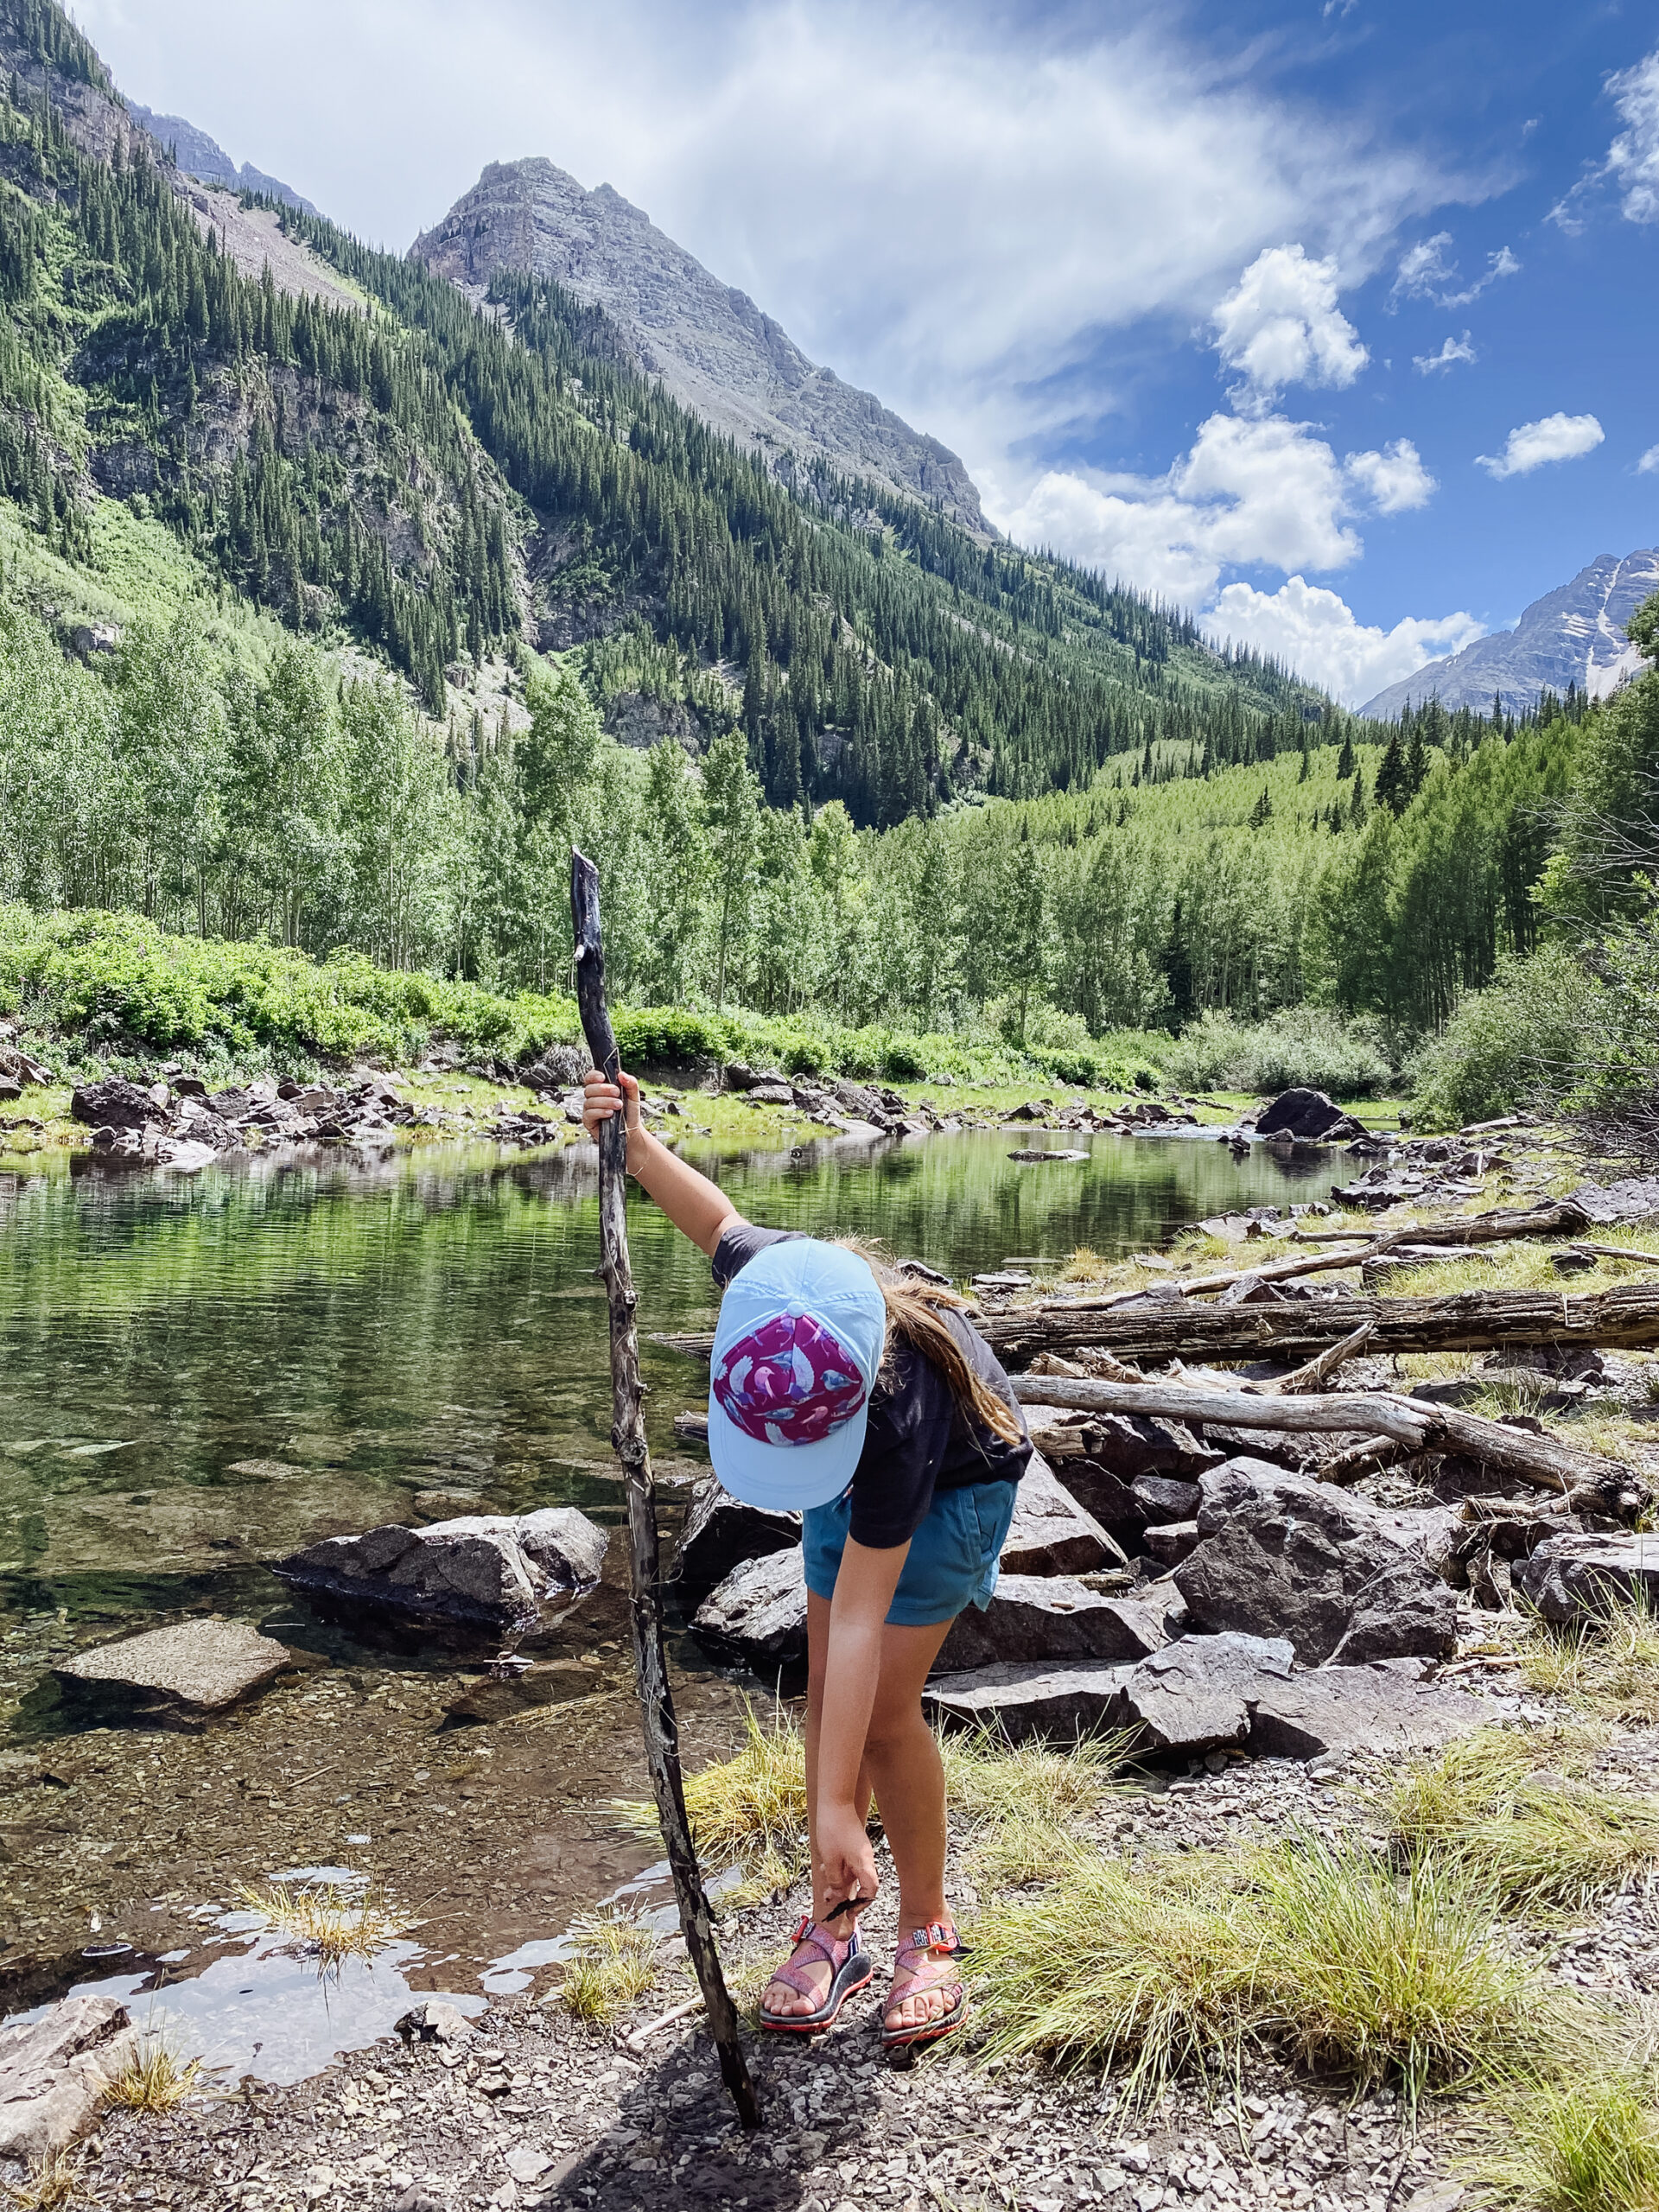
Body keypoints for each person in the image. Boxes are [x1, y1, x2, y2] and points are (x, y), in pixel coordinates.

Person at [583, 1066, 1033, 2050]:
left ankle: (926, 1927)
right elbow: (718, 1220)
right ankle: (835, 1923)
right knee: (825, 1689)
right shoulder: (785, 1290)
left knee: (875, 1715)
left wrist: (833, 1806)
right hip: (852, 1467)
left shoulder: (902, 1406)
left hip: (954, 1488)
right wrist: (637, 1140)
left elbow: (868, 1613)